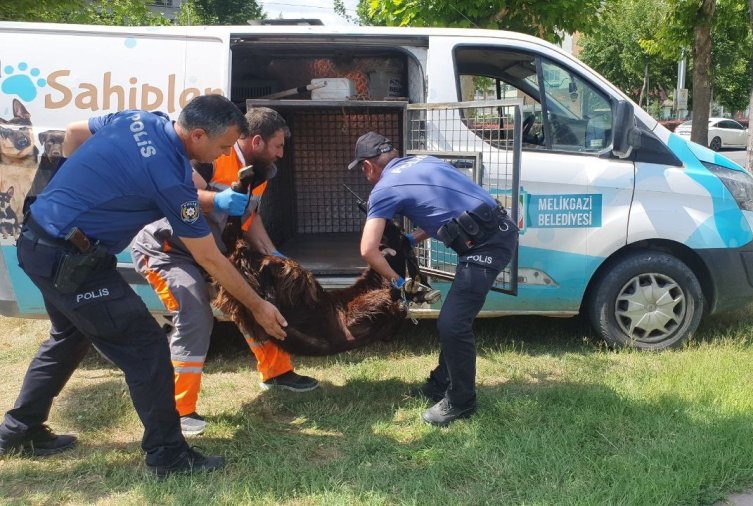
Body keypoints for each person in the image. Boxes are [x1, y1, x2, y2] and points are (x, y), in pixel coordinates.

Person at [0, 95, 288, 478]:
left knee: (69, 336)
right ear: (198, 134)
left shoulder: (139, 118)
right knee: (147, 348)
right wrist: (256, 306)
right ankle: (168, 454)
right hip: (70, 262)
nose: (221, 156)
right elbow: (210, 259)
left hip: (38, 238)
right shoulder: (170, 177)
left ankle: (19, 431)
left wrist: (71, 188)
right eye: (221, 147)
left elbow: (71, 132)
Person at [131, 107, 318, 438]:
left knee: (256, 298)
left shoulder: (258, 172)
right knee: (193, 311)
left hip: (211, 250)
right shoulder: (210, 156)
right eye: (277, 146)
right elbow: (182, 196)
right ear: (256, 141)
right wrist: (215, 199)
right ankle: (178, 410)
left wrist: (274, 255)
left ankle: (277, 372)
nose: (280, 154)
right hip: (167, 251)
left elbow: (249, 217)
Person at [348, 132, 518, 426]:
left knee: (452, 323)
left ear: (367, 166)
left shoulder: (383, 188)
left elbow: (367, 250)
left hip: (488, 245)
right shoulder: (424, 162)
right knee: (454, 319)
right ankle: (440, 382)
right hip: (497, 230)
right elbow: (445, 209)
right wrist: (410, 240)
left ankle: (461, 401)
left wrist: (401, 283)